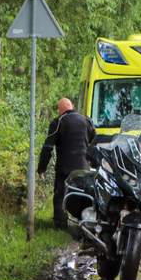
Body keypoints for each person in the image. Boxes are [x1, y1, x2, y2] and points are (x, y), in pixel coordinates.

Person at [38, 98, 96, 229]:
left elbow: (48, 147)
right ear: (72, 106)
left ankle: (60, 226)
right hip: (84, 168)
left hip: (65, 169)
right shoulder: (86, 121)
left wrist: (42, 168)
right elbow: (94, 142)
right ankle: (86, 224)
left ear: (60, 110)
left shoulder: (58, 122)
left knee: (60, 195)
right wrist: (93, 163)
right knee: (85, 195)